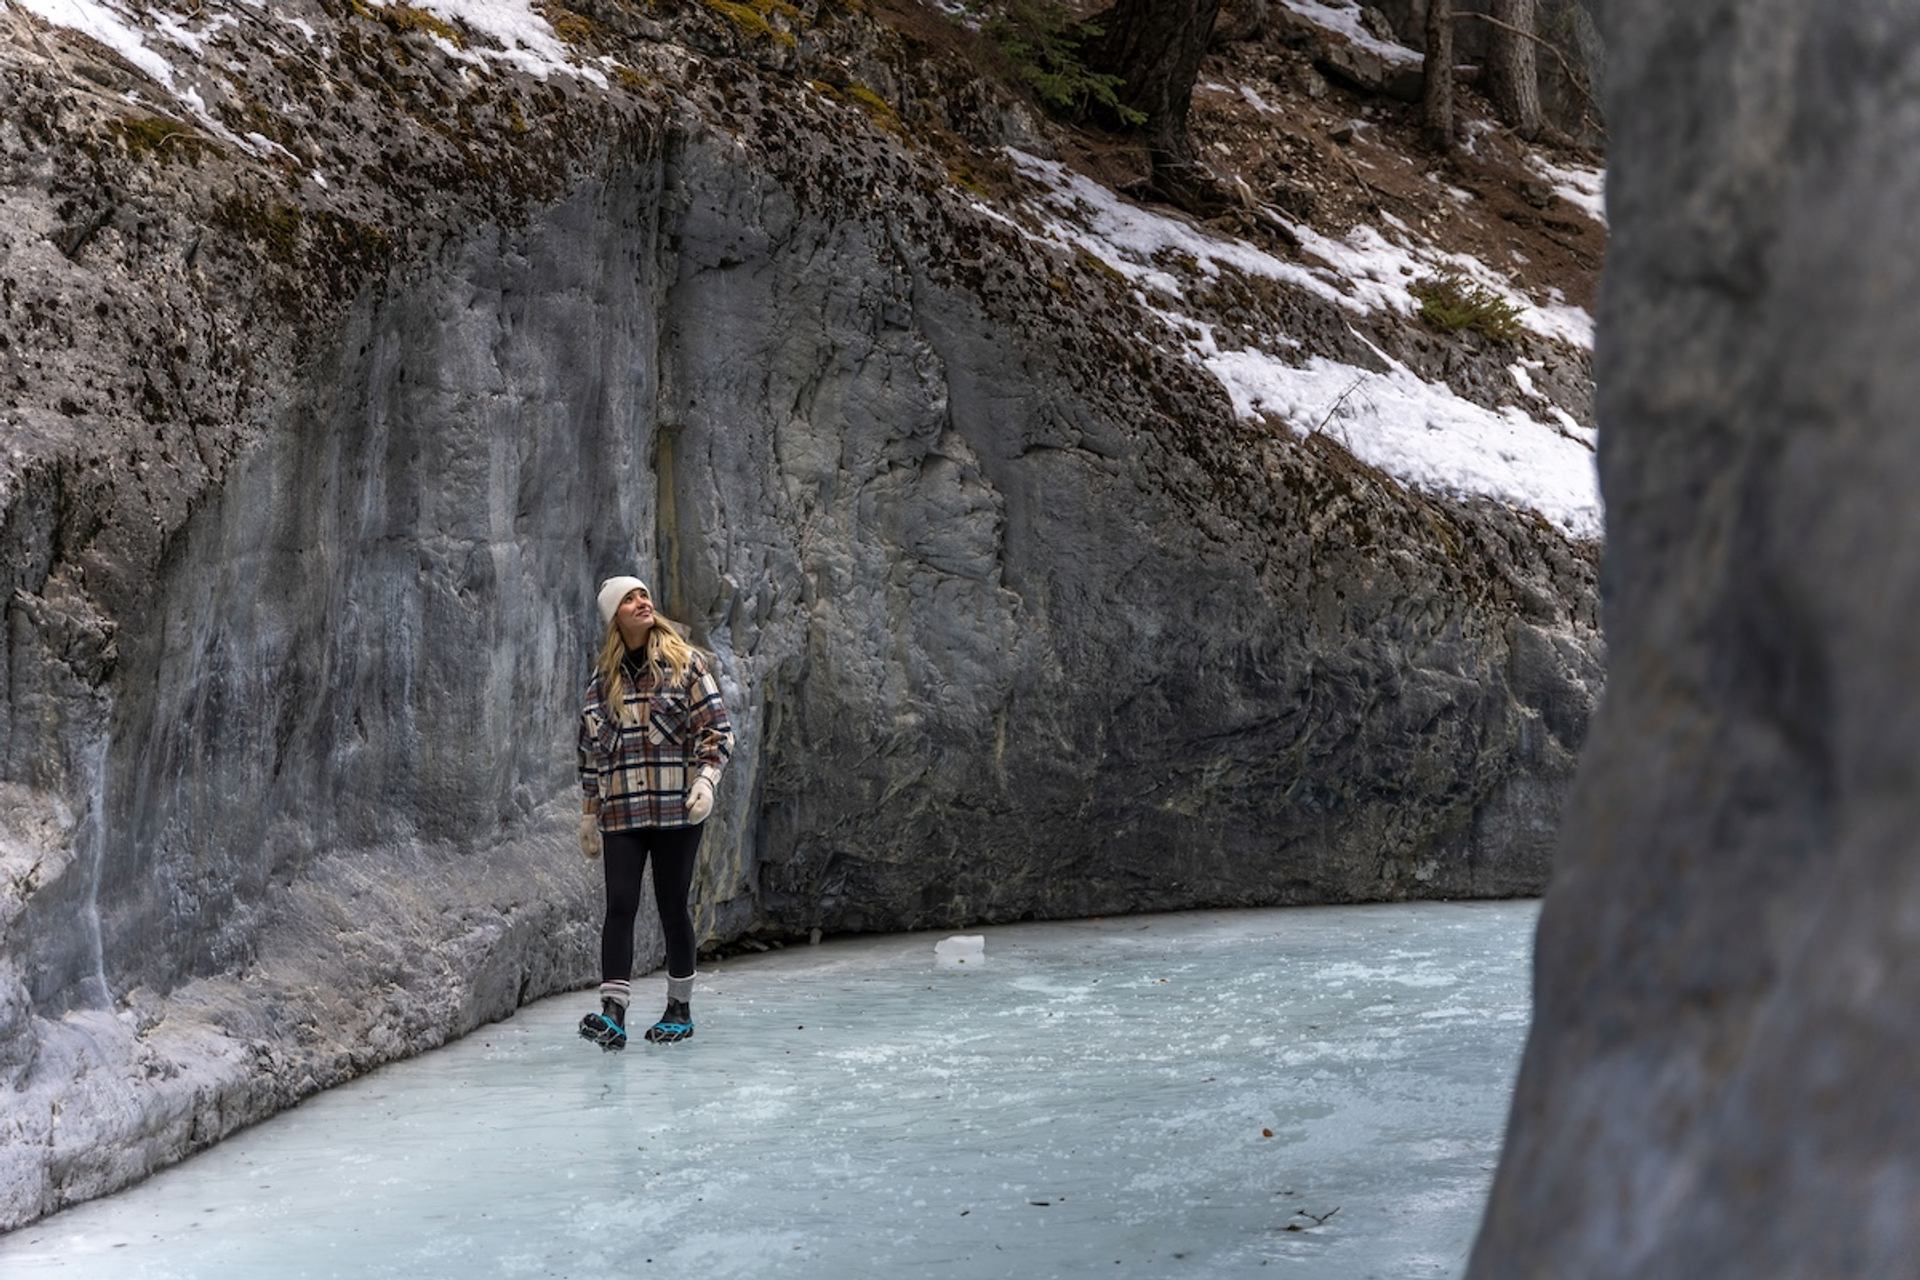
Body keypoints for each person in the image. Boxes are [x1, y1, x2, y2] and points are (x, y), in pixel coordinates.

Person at [576, 575, 733, 1052]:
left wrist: (706, 781)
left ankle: (679, 1010)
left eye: (643, 594)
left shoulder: (687, 665)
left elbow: (718, 731)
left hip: (675, 810)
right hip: (622, 812)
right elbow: (590, 753)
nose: (641, 602)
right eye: (629, 599)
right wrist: (588, 813)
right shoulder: (601, 684)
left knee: (672, 905)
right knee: (620, 905)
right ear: (615, 617)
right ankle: (613, 1014)